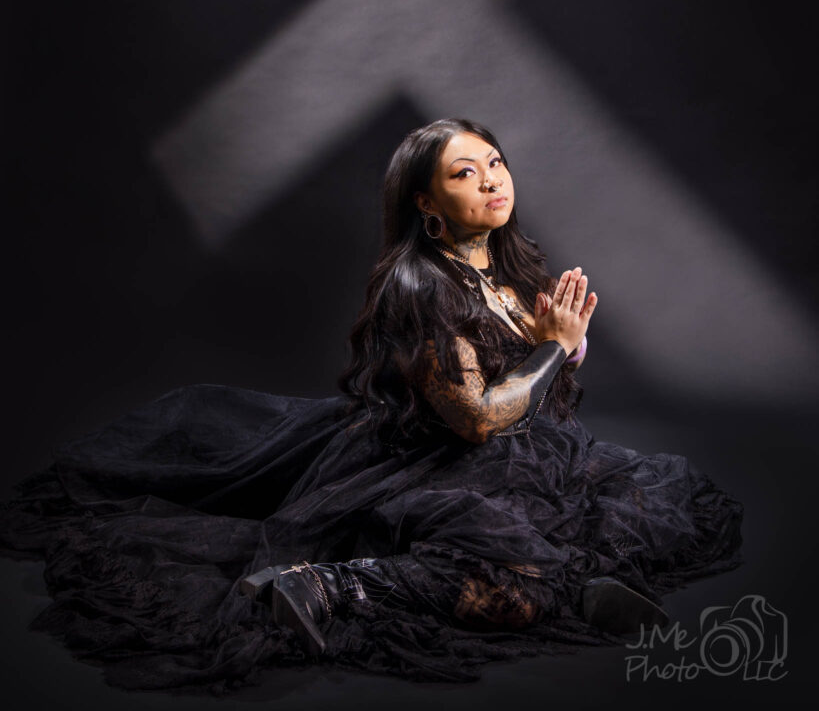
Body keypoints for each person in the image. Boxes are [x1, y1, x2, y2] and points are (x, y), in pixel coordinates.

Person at [0, 118, 743, 692]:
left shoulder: (506, 268)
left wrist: (563, 344)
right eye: (464, 172)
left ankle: (568, 584)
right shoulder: (419, 286)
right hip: (435, 461)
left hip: (521, 458)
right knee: (507, 574)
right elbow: (475, 419)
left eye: (494, 162)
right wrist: (552, 349)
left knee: (645, 506)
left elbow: (531, 378)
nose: (491, 180)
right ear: (426, 202)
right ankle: (332, 585)